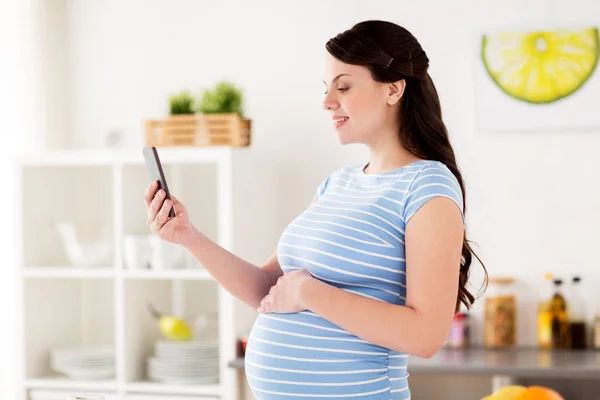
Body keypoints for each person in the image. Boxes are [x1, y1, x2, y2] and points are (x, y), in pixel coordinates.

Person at [145, 19, 486, 400]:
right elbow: (268, 291)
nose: (327, 101)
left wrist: (308, 292)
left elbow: (425, 336)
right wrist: (189, 238)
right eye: (327, 89)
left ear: (393, 89)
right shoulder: (337, 184)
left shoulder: (428, 187)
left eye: (344, 86)